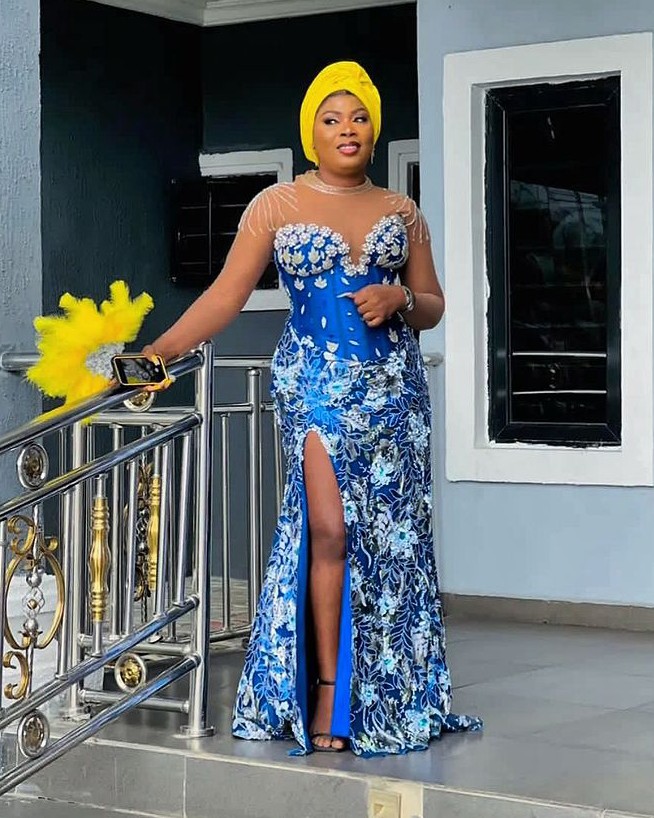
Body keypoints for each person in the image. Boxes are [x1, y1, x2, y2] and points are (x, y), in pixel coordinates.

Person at [143, 61, 481, 756]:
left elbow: (434, 305)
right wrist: (161, 352)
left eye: (358, 117)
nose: (346, 129)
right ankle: (326, 688)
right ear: (312, 133)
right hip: (315, 386)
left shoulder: (403, 212)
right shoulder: (275, 206)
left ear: (373, 128)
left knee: (390, 541)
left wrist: (401, 298)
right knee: (328, 531)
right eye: (331, 119)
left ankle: (389, 690)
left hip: (393, 392)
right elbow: (225, 296)